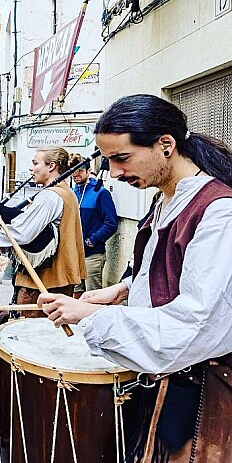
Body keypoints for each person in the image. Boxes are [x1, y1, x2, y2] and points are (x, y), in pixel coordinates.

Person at [38, 95, 232, 462]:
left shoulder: (220, 212)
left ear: (166, 146)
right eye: (108, 160)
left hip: (201, 394)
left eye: (121, 158)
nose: (113, 172)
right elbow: (167, 273)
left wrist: (91, 317)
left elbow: (196, 323)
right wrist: (121, 291)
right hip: (168, 382)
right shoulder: (166, 198)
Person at [0, 146, 85, 310]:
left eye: (35, 163)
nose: (31, 168)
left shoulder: (50, 196)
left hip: (42, 283)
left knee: (29, 330)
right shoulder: (66, 192)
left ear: (51, 166)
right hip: (57, 279)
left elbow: (22, 233)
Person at [68, 153, 118, 294]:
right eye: (72, 171)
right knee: (76, 293)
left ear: (88, 171)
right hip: (75, 254)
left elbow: (111, 223)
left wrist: (93, 240)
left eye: (79, 170)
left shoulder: (101, 193)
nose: (75, 174)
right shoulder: (72, 193)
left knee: (92, 295)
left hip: (92, 255)